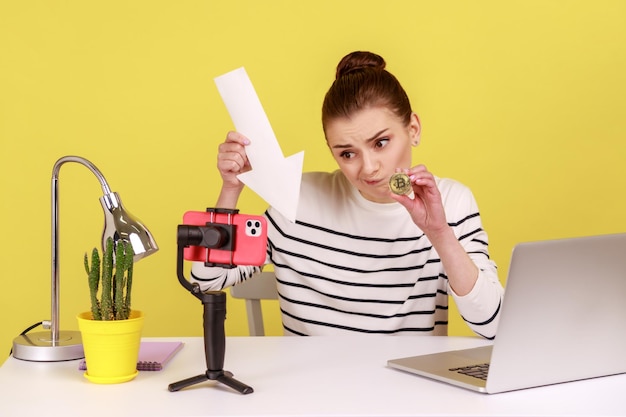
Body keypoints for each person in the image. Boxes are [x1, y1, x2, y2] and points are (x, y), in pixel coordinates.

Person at [192, 51, 504, 338]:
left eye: (381, 143)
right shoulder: (298, 200)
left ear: (413, 129)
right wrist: (231, 188)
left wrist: (438, 232)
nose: (369, 169)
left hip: (408, 393)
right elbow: (206, 280)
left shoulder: (451, 202)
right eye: (347, 154)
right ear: (331, 151)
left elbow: (492, 323)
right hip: (310, 391)